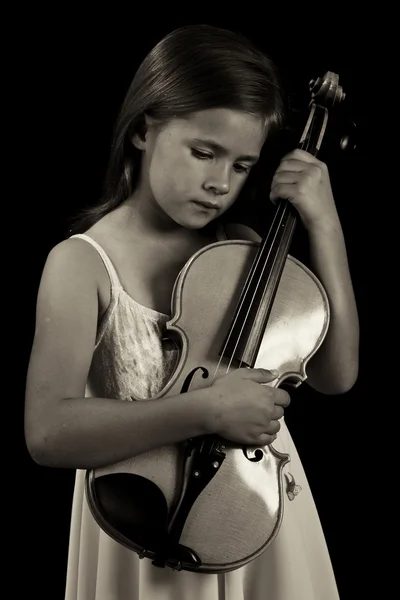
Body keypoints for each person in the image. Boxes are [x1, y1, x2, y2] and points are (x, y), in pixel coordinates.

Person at [24, 24, 359, 600]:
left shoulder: (241, 248)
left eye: (242, 166)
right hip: (141, 517)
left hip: (253, 509)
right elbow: (49, 432)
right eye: (204, 152)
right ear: (143, 131)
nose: (218, 184)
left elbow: (335, 374)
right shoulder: (81, 264)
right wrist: (204, 410)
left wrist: (323, 224)